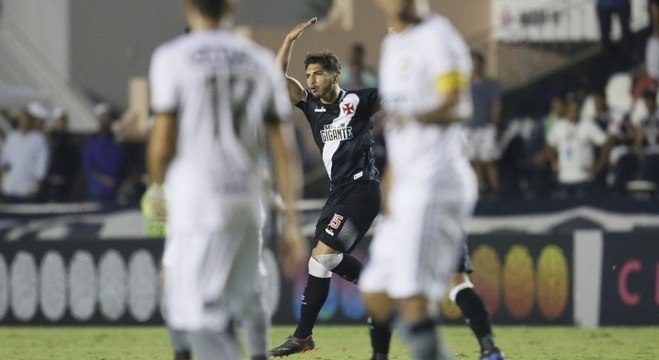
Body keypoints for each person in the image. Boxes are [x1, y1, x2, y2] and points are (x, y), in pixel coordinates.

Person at [142, 1, 307, 359]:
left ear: (187, 6)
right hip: (247, 204)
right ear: (233, 6)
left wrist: (157, 189)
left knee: (197, 317)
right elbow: (284, 148)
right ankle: (259, 352)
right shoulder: (259, 60)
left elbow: (162, 144)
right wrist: (292, 221)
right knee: (246, 294)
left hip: (198, 202)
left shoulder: (172, 57)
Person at [360, 1, 502, 359]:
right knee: (375, 291)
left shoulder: (439, 38)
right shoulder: (392, 46)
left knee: (413, 299)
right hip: (407, 185)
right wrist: (389, 188)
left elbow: (460, 106)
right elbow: (396, 132)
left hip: (436, 181)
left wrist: (414, 116)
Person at [269, 17, 384, 358]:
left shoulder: (359, 102)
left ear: (335, 75)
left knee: (326, 255)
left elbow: (401, 90)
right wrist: (289, 40)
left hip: (363, 190)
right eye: (308, 76)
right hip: (339, 193)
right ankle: (303, 337)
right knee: (319, 264)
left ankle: (382, 289)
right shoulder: (311, 107)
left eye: (318, 74)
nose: (311, 81)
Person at [546, 94, 614, 198]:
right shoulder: (558, 127)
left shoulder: (587, 125)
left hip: (583, 179)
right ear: (566, 111)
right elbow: (549, 144)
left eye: (576, 110)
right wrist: (553, 162)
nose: (574, 113)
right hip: (564, 179)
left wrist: (598, 165)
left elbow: (606, 143)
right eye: (571, 110)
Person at [466, 50, 502, 198]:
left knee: (488, 160)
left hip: (486, 127)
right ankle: (479, 190)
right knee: (475, 162)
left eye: (477, 64)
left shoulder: (490, 84)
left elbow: (496, 104)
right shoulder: (466, 85)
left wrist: (494, 124)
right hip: (470, 128)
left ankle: (496, 191)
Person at [0, 104, 50, 203]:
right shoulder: (12, 137)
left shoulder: (38, 139)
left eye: (26, 120)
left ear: (31, 122)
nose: (24, 122)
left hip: (27, 186)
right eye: (22, 120)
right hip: (10, 184)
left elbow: (42, 163)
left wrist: (36, 185)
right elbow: (4, 157)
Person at [81, 103, 128, 203]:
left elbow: (124, 164)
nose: (106, 120)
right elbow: (89, 168)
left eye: (108, 117)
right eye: (103, 117)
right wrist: (105, 180)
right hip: (97, 192)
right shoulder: (92, 143)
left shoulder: (116, 143)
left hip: (115, 191)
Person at [46, 107, 80, 202]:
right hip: (50, 180)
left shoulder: (70, 140)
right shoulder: (49, 138)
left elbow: (74, 161)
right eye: (58, 121)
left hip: (65, 180)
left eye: (63, 121)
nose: (61, 123)